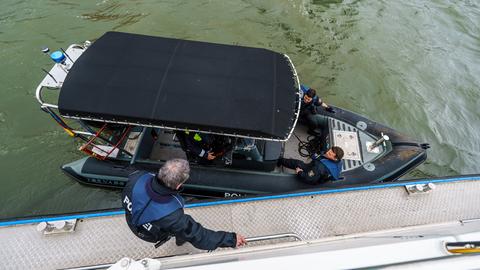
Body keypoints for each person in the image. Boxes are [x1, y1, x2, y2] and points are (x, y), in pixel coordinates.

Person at [122, 159, 247, 250]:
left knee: (177, 227)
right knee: (181, 231)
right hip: (150, 234)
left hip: (131, 220)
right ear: (178, 185)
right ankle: (180, 239)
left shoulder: (136, 178)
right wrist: (232, 239)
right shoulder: (173, 215)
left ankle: (179, 237)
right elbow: (200, 236)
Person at [278, 146, 344, 184]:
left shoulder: (319, 167)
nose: (327, 153)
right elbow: (323, 156)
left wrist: (300, 172)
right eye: (329, 151)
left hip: (313, 176)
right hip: (320, 175)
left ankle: (279, 160)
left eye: (329, 154)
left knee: (297, 163)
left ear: (335, 158)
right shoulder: (338, 161)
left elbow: (309, 178)